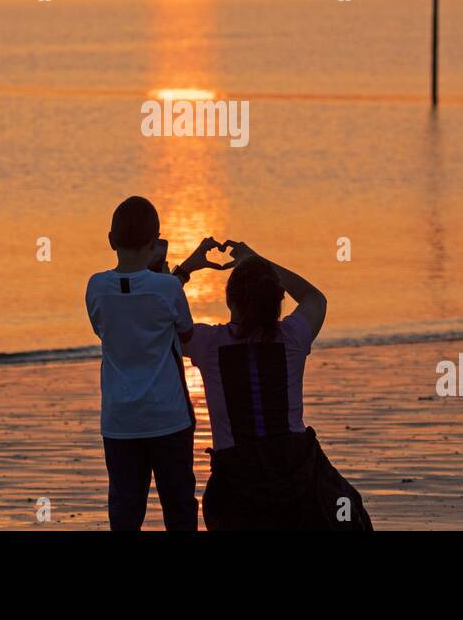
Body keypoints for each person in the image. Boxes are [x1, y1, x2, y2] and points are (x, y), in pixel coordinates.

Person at [182, 241, 373, 530]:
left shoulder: (208, 344)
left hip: (238, 477)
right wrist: (260, 261)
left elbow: (154, 320)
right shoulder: (292, 337)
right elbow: (314, 298)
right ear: (277, 301)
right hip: (295, 468)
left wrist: (185, 271)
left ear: (229, 301)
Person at [83, 198, 228, 531]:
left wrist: (174, 272)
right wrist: (173, 271)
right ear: (154, 242)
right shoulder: (167, 287)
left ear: (111, 241)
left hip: (119, 420)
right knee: (178, 507)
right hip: (169, 417)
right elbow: (186, 331)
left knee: (124, 509)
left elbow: (107, 324)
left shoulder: (95, 287)